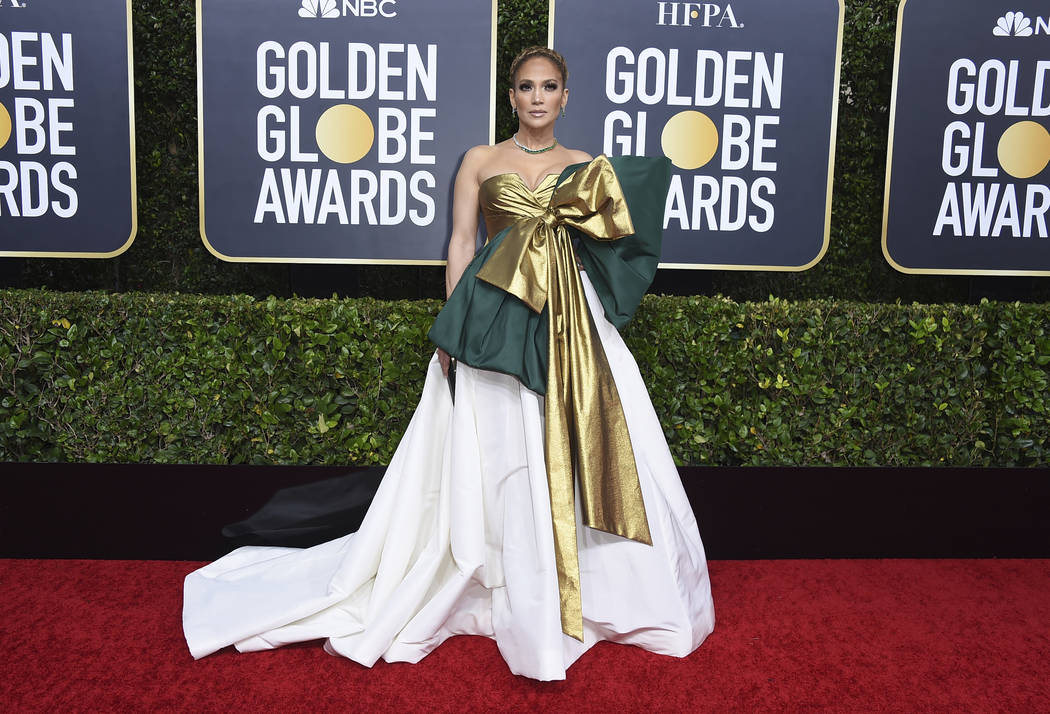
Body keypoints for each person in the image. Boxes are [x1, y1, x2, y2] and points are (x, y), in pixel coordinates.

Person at [183, 47, 714, 682]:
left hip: (572, 325)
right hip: (495, 319)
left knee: (582, 447)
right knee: (499, 452)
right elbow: (462, 243)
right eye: (526, 87)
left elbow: (624, 242)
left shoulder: (587, 167)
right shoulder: (481, 161)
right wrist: (455, 327)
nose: (538, 97)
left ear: (566, 97)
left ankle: (584, 585)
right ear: (511, 96)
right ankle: (504, 574)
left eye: (549, 87)